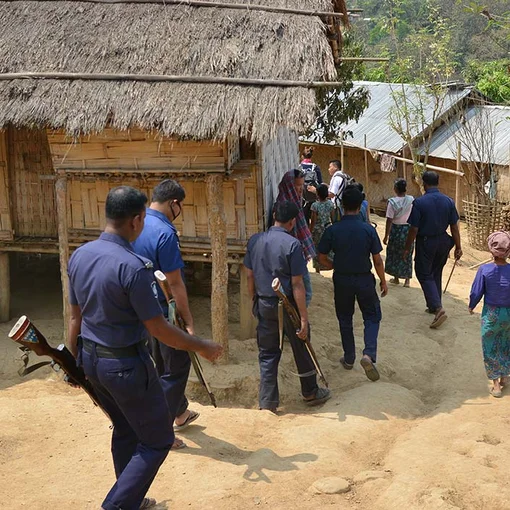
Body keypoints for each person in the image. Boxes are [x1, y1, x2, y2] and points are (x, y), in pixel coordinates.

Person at [67, 186, 222, 510]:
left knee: (125, 429)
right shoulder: (134, 267)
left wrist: (72, 361)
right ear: (137, 220)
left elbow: (75, 317)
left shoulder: (79, 255)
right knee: (158, 440)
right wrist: (202, 346)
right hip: (125, 365)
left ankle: (132, 501)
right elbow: (159, 329)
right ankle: (118, 505)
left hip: (92, 360)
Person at [244, 200, 331, 412]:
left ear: (274, 214)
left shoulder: (255, 240)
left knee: (268, 353)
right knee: (301, 344)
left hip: (264, 302)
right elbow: (297, 283)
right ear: (292, 222)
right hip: (287, 304)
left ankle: (267, 402)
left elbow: (249, 275)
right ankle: (310, 391)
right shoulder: (292, 245)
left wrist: (254, 299)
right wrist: (303, 318)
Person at [131, 180, 199, 444]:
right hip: (164, 311)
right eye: (180, 205)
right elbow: (175, 282)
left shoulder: (136, 225)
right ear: (174, 203)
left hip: (139, 309)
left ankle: (180, 412)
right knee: (177, 368)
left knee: (159, 364)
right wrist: (188, 322)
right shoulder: (166, 233)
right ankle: (162, 432)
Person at [317, 186, 388, 382]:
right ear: (360, 206)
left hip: (342, 279)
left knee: (345, 318)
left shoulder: (333, 230)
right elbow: (377, 260)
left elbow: (321, 257)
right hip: (364, 279)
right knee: (372, 316)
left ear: (341, 206)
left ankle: (349, 358)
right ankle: (368, 354)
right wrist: (383, 281)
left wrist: (335, 265)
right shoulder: (368, 230)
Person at [403, 171, 462, 329]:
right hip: (443, 241)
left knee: (423, 272)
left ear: (424, 183)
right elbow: (454, 226)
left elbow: (414, 229)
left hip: (426, 242)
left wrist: (407, 248)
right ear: (438, 182)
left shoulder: (420, 203)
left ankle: (437, 308)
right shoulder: (448, 201)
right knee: (436, 272)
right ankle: (433, 304)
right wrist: (458, 246)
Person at [468, 231, 510, 398]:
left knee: (490, 346)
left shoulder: (485, 270)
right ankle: (505, 376)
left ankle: (496, 385)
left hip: (492, 314)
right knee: (506, 344)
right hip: (508, 314)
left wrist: (471, 306)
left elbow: (477, 291)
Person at [275, 169, 315, 306]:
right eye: (297, 186)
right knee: (305, 292)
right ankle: (297, 319)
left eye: (302, 185)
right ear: (289, 185)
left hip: (295, 252)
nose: (300, 189)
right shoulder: (284, 205)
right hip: (289, 254)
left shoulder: (295, 201)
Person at [383, 179, 414, 287]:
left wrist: (386, 235)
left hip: (396, 230)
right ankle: (407, 280)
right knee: (407, 252)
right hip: (408, 229)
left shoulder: (392, 202)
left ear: (395, 189)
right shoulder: (411, 200)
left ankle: (396, 277)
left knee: (394, 252)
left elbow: (389, 220)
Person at [310, 184, 334, 273]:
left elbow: (313, 221)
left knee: (317, 249)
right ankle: (330, 265)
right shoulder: (331, 204)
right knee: (329, 248)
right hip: (328, 228)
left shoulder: (315, 206)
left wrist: (310, 232)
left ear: (317, 194)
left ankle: (318, 269)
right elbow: (333, 218)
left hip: (317, 231)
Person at [300, 146, 323, 222]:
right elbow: (320, 183)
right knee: (313, 218)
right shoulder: (315, 167)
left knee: (303, 218)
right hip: (313, 196)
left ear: (302, 156)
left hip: (301, 196)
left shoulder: (299, 167)